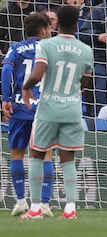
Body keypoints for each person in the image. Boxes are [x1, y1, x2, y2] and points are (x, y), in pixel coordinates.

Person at [21, 5, 93, 219]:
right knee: (68, 158)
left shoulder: (47, 45)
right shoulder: (86, 50)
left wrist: (26, 87)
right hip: (72, 108)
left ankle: (35, 208)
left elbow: (38, 73)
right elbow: (84, 82)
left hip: (49, 108)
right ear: (77, 24)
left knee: (36, 155)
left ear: (55, 24)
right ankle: (70, 209)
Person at [1, 11, 54, 218]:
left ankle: (21, 201)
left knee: (17, 153)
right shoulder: (51, 48)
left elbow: (6, 70)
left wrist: (5, 98)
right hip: (45, 108)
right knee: (46, 154)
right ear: (43, 30)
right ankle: (45, 203)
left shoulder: (16, 48)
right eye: (49, 29)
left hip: (20, 107)